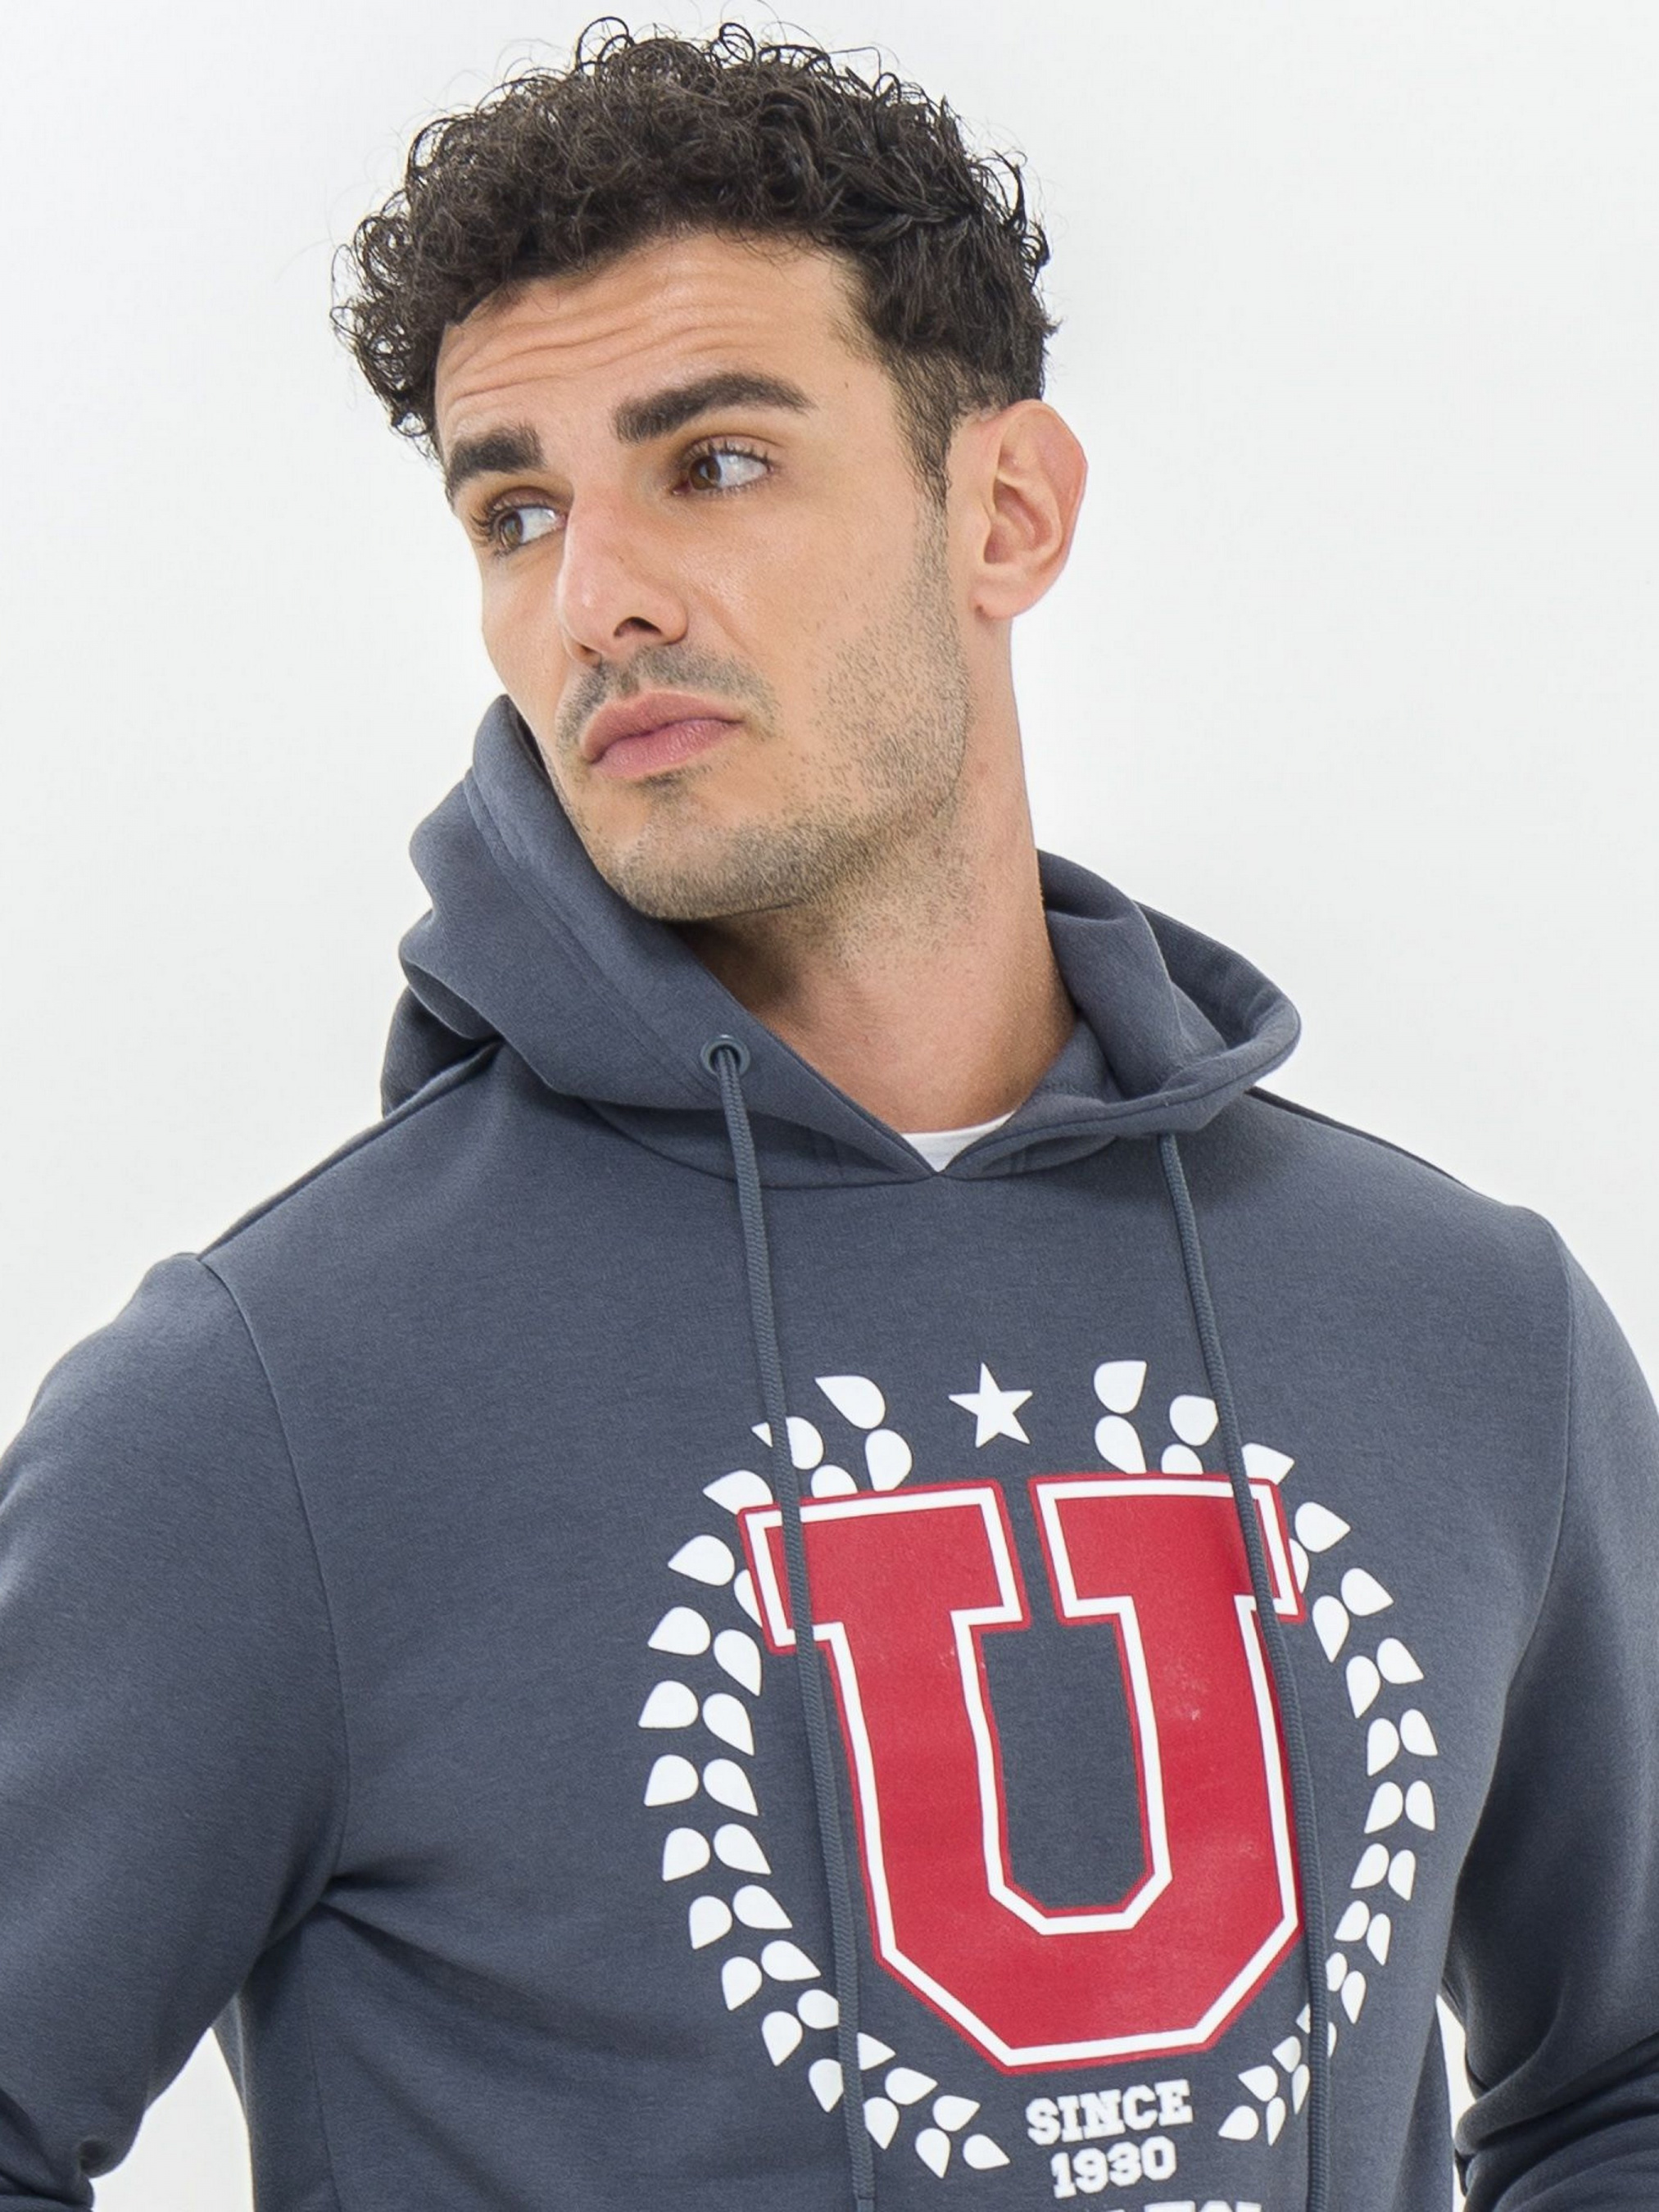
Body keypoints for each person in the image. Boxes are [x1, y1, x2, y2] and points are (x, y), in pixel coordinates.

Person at [2, 19, 1656, 2212]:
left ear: (1006, 511)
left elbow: (1624, 2082)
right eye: (515, 511)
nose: (596, 599)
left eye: (713, 462)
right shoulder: (265, 1406)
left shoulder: (1465, 1329)